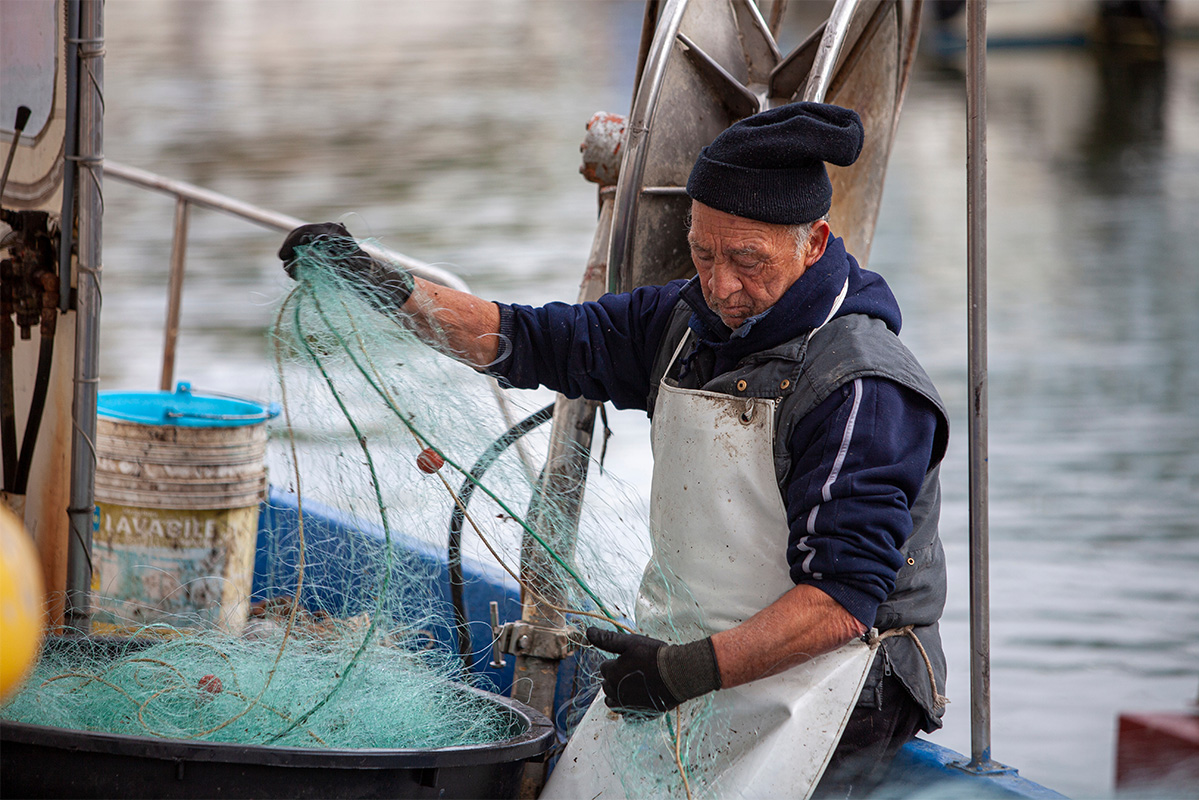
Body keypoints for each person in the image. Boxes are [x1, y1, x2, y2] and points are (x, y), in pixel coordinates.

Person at [279, 101, 950, 798]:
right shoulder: (684, 322)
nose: (721, 285)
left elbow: (840, 603)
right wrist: (379, 283)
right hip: (693, 655)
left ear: (814, 243)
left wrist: (678, 674)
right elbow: (525, 338)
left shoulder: (860, 387)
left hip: (839, 676)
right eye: (704, 253)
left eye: (749, 261)